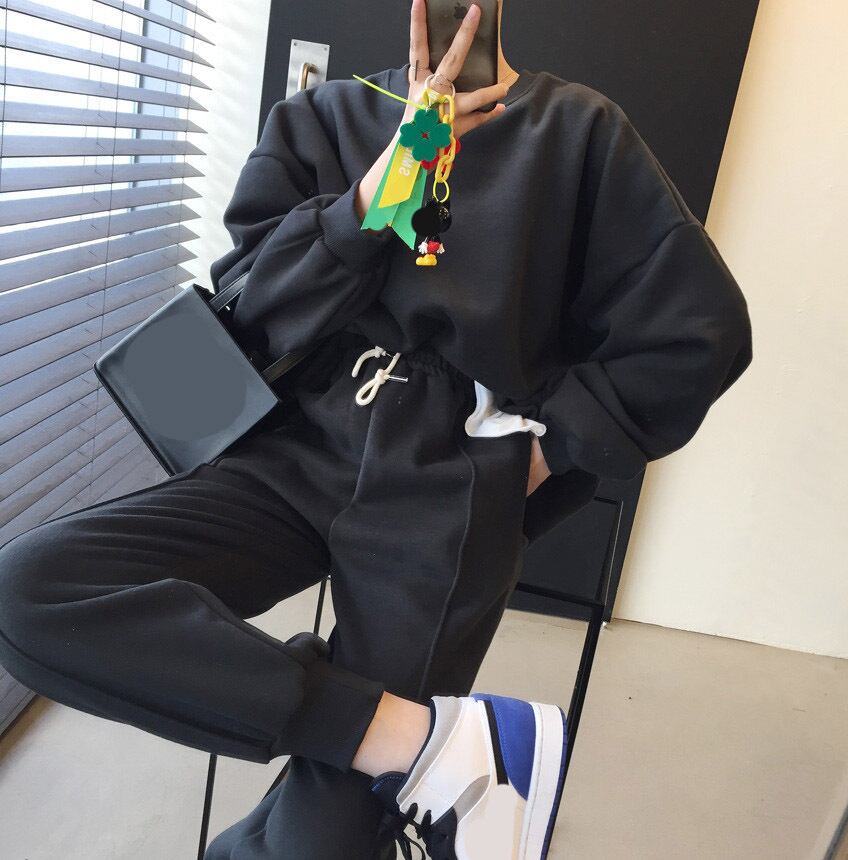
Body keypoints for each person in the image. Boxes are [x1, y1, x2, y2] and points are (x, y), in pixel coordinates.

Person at [0, 0, 753, 857]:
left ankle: (385, 770)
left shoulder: (577, 132)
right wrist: (380, 187)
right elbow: (256, 305)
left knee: (317, 844)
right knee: (31, 592)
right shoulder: (323, 117)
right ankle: (429, 746)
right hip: (292, 453)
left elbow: (700, 330)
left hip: (448, 489)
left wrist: (542, 456)